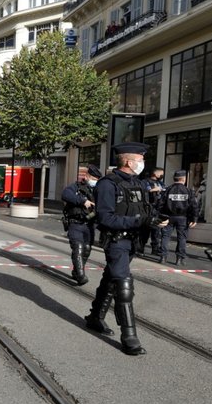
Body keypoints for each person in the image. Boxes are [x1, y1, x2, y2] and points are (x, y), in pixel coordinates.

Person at [83, 142, 166, 356]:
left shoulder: (138, 184)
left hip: (133, 241)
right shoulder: (107, 185)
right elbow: (105, 218)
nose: (142, 163)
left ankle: (95, 317)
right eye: (140, 160)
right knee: (123, 284)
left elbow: (142, 211)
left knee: (111, 277)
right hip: (117, 241)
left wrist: (153, 220)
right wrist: (139, 221)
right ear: (129, 162)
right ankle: (129, 337)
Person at [61, 164, 101, 285]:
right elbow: (65, 195)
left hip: (89, 225)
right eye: (93, 178)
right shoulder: (75, 187)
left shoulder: (98, 190)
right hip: (75, 223)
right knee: (78, 249)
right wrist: (83, 201)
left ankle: (76, 271)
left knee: (87, 250)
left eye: (96, 179)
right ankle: (80, 275)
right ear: (87, 176)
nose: (94, 181)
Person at [158, 170, 199, 266]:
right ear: (184, 179)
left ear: (174, 179)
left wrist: (160, 216)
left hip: (168, 217)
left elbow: (160, 204)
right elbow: (194, 205)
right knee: (182, 238)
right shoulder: (188, 191)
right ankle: (179, 259)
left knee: (165, 237)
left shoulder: (167, 189)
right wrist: (195, 218)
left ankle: (163, 257)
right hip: (183, 218)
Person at [144, 168, 165, 257]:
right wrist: (154, 190)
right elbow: (145, 190)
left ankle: (155, 249)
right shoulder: (146, 181)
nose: (162, 175)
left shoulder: (160, 183)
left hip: (157, 209)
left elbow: (164, 189)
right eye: (161, 173)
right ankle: (140, 247)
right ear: (155, 173)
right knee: (145, 229)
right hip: (148, 208)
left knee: (156, 230)